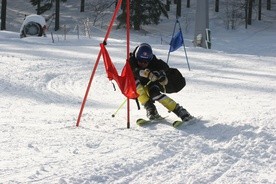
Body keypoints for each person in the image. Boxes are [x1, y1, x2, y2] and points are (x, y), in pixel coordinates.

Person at [129, 43, 192, 121]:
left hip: (151, 84)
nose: (143, 64)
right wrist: (145, 73)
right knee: (137, 86)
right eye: (140, 61)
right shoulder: (131, 61)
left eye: (146, 62)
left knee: (155, 94)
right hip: (137, 85)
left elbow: (165, 68)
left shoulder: (155, 62)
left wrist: (162, 76)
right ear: (136, 58)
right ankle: (151, 109)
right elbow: (133, 70)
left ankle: (179, 110)